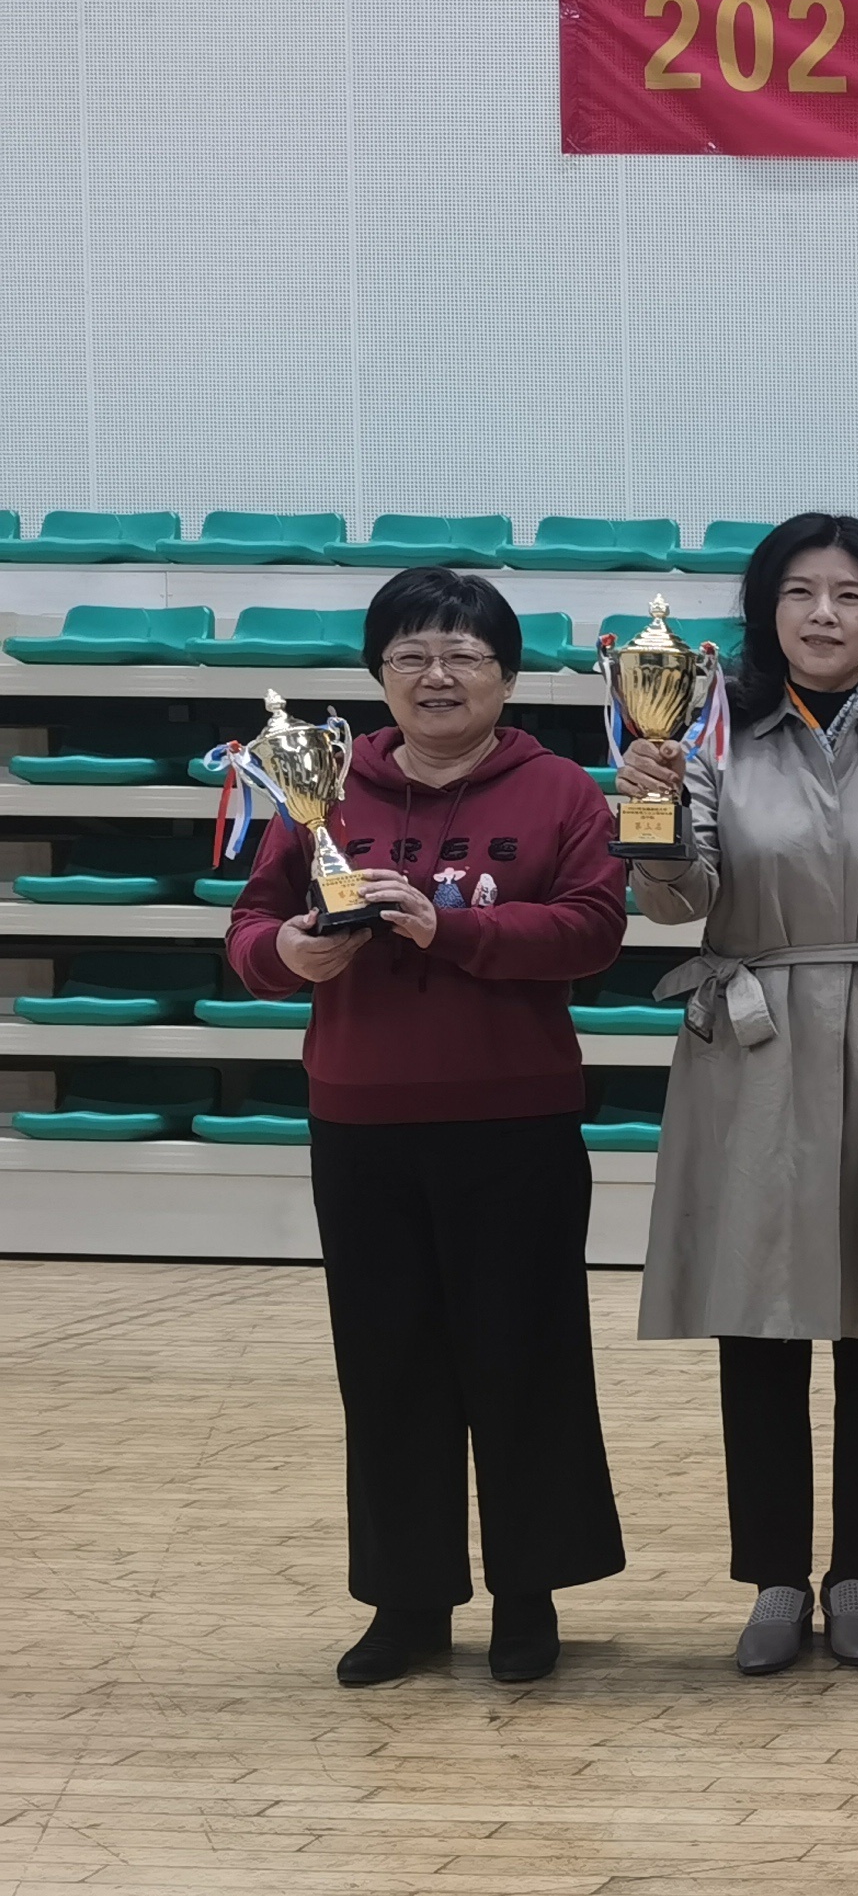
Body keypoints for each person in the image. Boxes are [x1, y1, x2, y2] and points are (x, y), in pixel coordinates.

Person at [228, 568, 630, 1689]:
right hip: (360, 1120)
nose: (436, 674)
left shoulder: (559, 790)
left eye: (463, 654)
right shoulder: (321, 784)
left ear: (506, 676)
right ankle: (405, 1603)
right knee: (387, 1366)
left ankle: (529, 1596)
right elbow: (253, 925)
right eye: (410, 654)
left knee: (524, 1359)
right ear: (379, 674)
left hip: (515, 1121)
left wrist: (447, 930)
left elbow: (593, 931)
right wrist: (287, 956)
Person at [619, 513, 858, 1678]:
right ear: (764, 611)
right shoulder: (706, 740)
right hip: (755, 1045)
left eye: (849, 593)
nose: (824, 613)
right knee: (760, 1322)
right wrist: (649, 814)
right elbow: (676, 905)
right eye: (800, 592)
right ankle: (777, 1575)